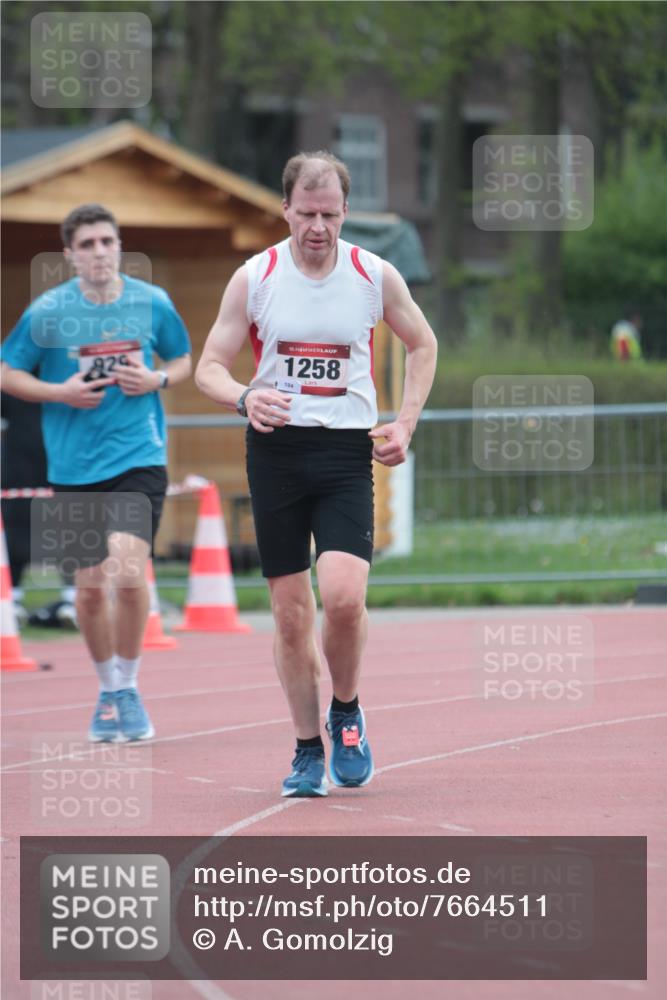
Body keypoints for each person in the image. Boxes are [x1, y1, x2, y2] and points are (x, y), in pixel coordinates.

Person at [196, 151, 437, 797]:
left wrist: (404, 423)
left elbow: (422, 342)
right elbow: (208, 366)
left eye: (329, 214)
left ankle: (348, 710)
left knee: (344, 598)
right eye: (306, 213)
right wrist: (245, 396)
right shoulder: (257, 277)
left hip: (343, 454)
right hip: (275, 452)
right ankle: (307, 749)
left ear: (344, 212)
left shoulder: (371, 274)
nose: (317, 226)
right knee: (291, 614)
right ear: (285, 209)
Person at [1, 203, 191, 741]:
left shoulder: (151, 302)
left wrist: (156, 381)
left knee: (128, 575)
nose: (100, 252)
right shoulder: (48, 312)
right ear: (69, 254)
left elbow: (183, 360)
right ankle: (108, 690)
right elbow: (8, 370)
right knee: (87, 591)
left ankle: (128, 688)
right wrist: (57, 392)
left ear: (119, 246)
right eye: (87, 245)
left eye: (107, 241)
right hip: (74, 468)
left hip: (139, 458)